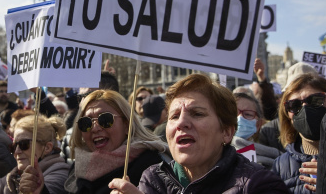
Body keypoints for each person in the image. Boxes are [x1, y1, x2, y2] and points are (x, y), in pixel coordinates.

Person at [109, 74, 288, 193]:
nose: (181, 123)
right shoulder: (153, 180)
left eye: (197, 114)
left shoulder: (259, 185)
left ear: (226, 132)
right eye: (174, 116)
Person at [60, 89, 168, 193]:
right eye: (86, 122)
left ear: (126, 125)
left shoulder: (152, 167)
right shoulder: (78, 167)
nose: (95, 128)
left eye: (105, 119)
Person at [271, 73, 326, 193]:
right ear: (287, 115)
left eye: (315, 100)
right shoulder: (280, 166)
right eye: (294, 105)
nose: (305, 109)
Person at [231, 92, 282, 169]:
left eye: (248, 114)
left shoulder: (280, 163)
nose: (240, 118)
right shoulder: (212, 156)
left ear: (258, 124)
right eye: (234, 113)